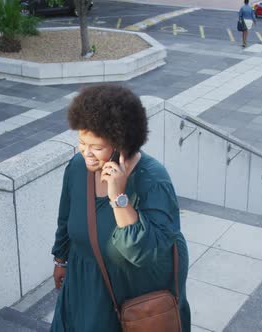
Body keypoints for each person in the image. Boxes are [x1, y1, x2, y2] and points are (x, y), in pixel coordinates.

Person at [50, 84, 191, 332]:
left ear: (121, 143)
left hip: (129, 294)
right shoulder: (76, 167)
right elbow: (66, 217)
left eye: (97, 147)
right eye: (82, 143)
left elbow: (145, 253)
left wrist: (118, 196)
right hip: (83, 282)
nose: (86, 153)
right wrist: (61, 260)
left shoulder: (153, 180)